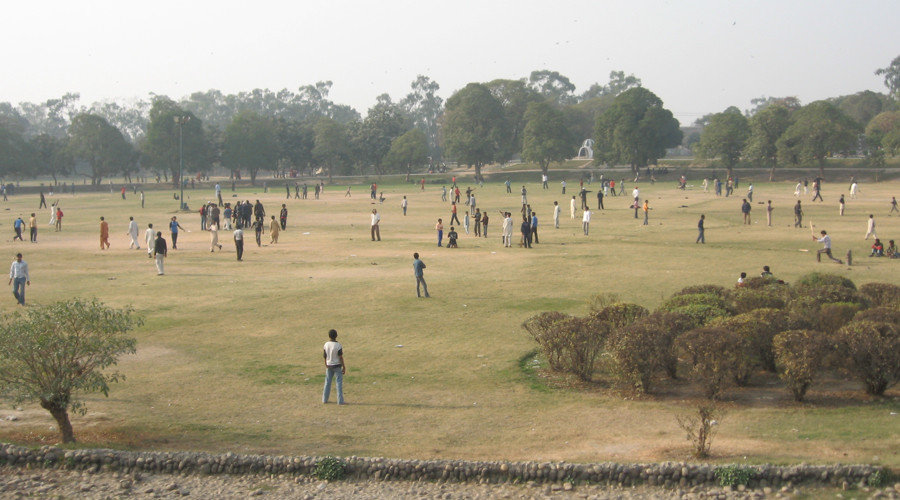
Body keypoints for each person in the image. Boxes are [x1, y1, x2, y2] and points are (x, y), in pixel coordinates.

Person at [322, 329, 346, 404]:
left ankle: (324, 399)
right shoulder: (338, 345)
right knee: (338, 383)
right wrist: (344, 366)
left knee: (327, 382)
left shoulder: (326, 344)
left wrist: (325, 363)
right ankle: (340, 401)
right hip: (337, 366)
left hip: (329, 365)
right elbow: (340, 357)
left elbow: (325, 356)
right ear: (336, 336)